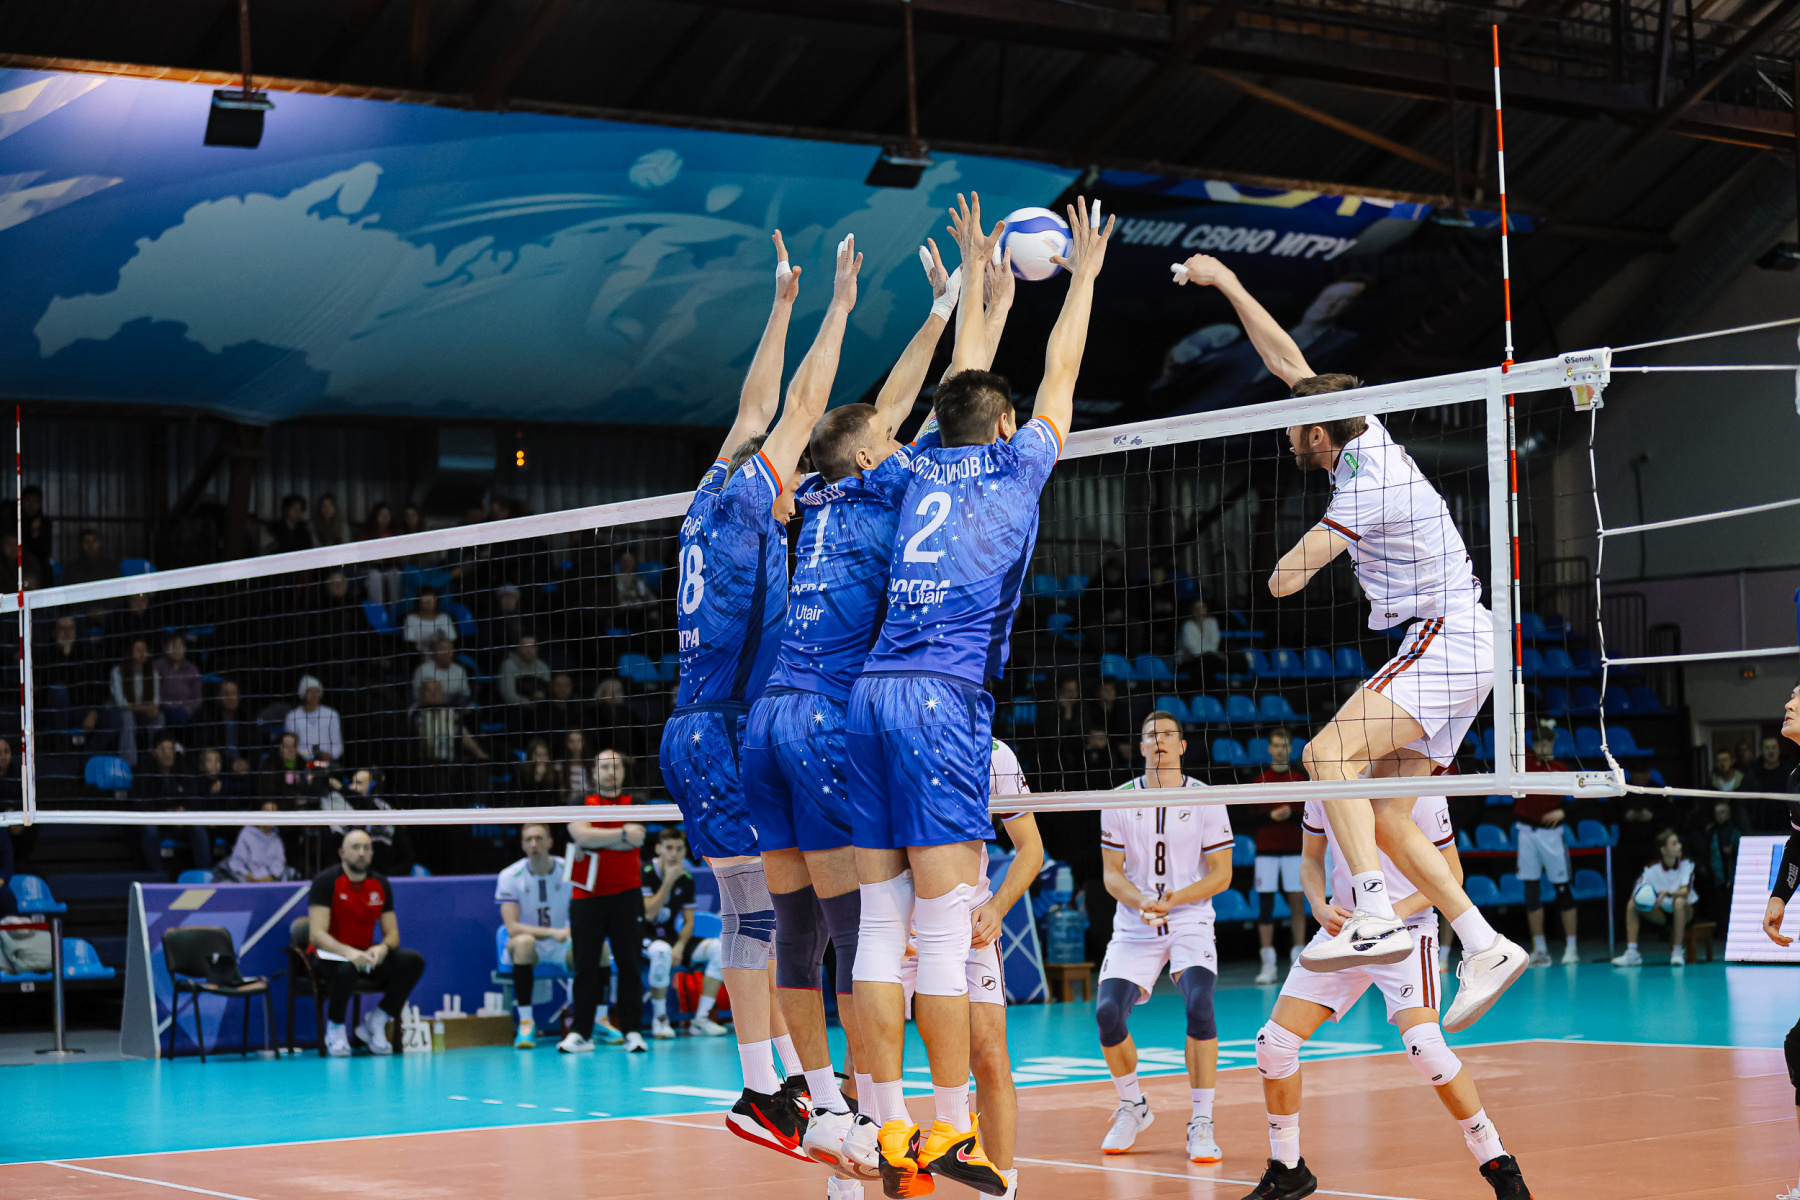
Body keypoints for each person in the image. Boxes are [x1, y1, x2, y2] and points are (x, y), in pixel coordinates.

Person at [1176, 252, 1521, 1031]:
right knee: (1392, 819)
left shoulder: (1366, 485)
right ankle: (1484, 942)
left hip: (1446, 638)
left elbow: (1286, 580)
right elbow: (1288, 364)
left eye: (1292, 428)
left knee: (1326, 757)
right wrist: (1226, 283)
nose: (1284, 433)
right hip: (1459, 643)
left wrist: (1274, 571)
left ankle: (1371, 911)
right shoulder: (1363, 435)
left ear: (1316, 434)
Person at [850, 194, 1109, 1198]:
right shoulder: (1016, 461)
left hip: (870, 693)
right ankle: (955, 1132)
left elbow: (964, 382)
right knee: (949, 921)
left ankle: (889, 1129)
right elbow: (1062, 372)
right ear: (1003, 425)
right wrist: (1082, 281)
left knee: (883, 925)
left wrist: (975, 288)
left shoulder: (915, 464)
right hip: (942, 700)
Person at [745, 229, 968, 1174]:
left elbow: (879, 409)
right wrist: (962, 308)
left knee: (795, 929)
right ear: (874, 454)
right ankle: (882, 1121)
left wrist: (932, 310)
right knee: (863, 930)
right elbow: (942, 404)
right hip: (826, 717)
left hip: (765, 720)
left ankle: (828, 1111)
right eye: (886, 436)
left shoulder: (815, 495)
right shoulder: (885, 490)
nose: (896, 435)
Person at [657, 230, 848, 1155]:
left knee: (754, 907)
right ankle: (761, 1087)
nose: (799, 484)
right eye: (795, 474)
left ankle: (775, 1083)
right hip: (726, 730)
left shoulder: (707, 496)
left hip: (697, 726)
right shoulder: (742, 510)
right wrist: (838, 307)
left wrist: (780, 306)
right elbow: (797, 407)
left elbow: (753, 410)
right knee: (770, 908)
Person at [1246, 793, 1535, 1200]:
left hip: (1408, 929)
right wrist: (1317, 905)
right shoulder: (1328, 783)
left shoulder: (1417, 789)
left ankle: (1499, 1164)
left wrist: (1388, 915)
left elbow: (1451, 871)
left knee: (1425, 1047)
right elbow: (1310, 859)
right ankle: (1287, 1170)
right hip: (1344, 932)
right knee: (1273, 1044)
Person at [895, 740, 1044, 1200]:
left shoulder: (992, 752)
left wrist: (997, 907)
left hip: (966, 925)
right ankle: (845, 1187)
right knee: (866, 1061)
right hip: (895, 925)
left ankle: (1001, 1190)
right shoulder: (885, 733)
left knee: (991, 1057)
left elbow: (1031, 849)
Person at [1094, 711, 1233, 1165]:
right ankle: (1133, 1105)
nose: (1160, 741)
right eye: (1151, 734)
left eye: (1169, 734)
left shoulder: (1206, 798)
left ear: (1182, 746)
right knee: (1108, 1013)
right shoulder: (1118, 799)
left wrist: (1174, 900)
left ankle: (1202, 1120)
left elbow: (1222, 875)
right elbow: (1111, 874)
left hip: (1190, 918)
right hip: (1136, 923)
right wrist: (1141, 901)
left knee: (1200, 1003)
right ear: (1141, 746)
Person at [307, 829, 427, 1057]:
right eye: (355, 848)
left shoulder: (380, 883)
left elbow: (393, 935)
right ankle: (335, 1028)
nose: (361, 853)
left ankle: (376, 1020)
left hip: (364, 954)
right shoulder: (325, 882)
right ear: (342, 853)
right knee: (346, 970)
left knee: (413, 962)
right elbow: (317, 935)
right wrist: (349, 953)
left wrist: (382, 948)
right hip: (330, 955)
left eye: (366, 848)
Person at [562, 748, 649, 1054]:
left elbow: (638, 838)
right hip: (587, 897)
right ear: (593, 772)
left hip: (627, 895)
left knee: (630, 965)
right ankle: (580, 1033)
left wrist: (596, 838)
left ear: (624, 772)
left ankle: (633, 1031)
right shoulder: (579, 801)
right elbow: (581, 837)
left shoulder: (636, 801)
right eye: (604, 767)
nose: (611, 772)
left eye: (616, 767)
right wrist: (621, 835)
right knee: (584, 966)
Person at [1755, 684, 1800, 1200]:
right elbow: (1799, 843)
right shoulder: (1797, 777)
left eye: (1797, 699)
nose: (1786, 705)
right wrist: (1779, 896)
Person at [643, 826, 726, 1040]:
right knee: (661, 951)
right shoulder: (646, 872)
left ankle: (701, 1019)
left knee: (718, 950)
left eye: (679, 849)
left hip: (671, 937)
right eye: (669, 848)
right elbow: (649, 914)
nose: (674, 853)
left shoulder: (687, 877)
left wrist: (680, 946)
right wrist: (668, 881)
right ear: (658, 849)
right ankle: (660, 1019)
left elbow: (689, 920)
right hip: (644, 937)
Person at [496, 823, 573, 1049]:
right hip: (531, 947)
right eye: (528, 839)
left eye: (539, 838)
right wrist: (552, 932)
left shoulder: (569, 868)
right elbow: (512, 927)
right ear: (522, 845)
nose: (534, 844)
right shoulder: (509, 875)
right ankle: (526, 1023)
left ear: (550, 842)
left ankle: (598, 1020)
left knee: (597, 948)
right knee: (523, 943)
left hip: (561, 944)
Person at [1513, 723, 1578, 967]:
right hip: (1526, 833)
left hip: (1551, 835)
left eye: (1546, 742)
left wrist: (1564, 811)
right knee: (1531, 891)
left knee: (1562, 889)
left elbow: (1583, 800)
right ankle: (1540, 950)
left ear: (1552, 743)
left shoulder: (1561, 769)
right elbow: (1513, 738)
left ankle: (1572, 947)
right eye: (1538, 743)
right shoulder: (1524, 764)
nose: (1542, 747)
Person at [1250, 728, 1308, 984]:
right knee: (1266, 906)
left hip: (1294, 849)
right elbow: (1247, 817)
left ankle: (1298, 962)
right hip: (1266, 851)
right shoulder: (1260, 780)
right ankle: (1268, 965)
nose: (1280, 750)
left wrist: (1291, 815)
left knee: (1297, 903)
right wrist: (1271, 816)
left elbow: (1311, 814)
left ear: (1290, 749)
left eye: (1284, 745)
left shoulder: (1300, 779)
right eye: (1276, 745)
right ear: (1269, 748)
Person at [1612, 830, 1695, 967]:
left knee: (1679, 902)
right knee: (1632, 904)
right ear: (1663, 850)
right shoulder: (1651, 869)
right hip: (1661, 912)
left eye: (1679, 843)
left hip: (1685, 911)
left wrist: (1668, 893)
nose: (1679, 846)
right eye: (1674, 843)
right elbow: (1636, 892)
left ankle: (1677, 952)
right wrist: (1649, 899)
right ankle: (1632, 953)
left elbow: (1685, 892)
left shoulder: (1687, 864)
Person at [133, 734, 210, 875]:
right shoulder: (144, 771)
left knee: (198, 828)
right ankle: (156, 875)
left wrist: (184, 811)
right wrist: (165, 813)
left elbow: (195, 800)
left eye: (170, 749)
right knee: (149, 830)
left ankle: (205, 873)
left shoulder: (184, 768)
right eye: (163, 750)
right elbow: (141, 805)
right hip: (158, 824)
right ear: (154, 752)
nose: (167, 754)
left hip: (180, 824)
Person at [109, 636, 162, 767]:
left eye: (144, 649)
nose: (142, 653)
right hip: (118, 713)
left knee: (159, 717)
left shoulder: (154, 674)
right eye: (138, 650)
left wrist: (150, 709)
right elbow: (122, 704)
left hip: (142, 714)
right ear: (130, 652)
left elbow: (155, 705)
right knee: (127, 717)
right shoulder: (118, 672)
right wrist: (145, 708)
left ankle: (156, 757)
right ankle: (129, 763)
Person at [222, 801, 294, 881]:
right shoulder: (246, 834)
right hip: (245, 880)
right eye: (267, 812)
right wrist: (247, 875)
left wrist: (271, 877)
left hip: (268, 882)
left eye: (274, 813)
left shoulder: (276, 840)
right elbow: (237, 862)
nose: (271, 816)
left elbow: (279, 863)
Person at [285, 675, 344, 765]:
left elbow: (337, 745)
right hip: (304, 764)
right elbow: (291, 746)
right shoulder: (292, 716)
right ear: (303, 693)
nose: (314, 695)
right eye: (310, 691)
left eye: (317, 691)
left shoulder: (332, 714)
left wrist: (328, 755)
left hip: (328, 763)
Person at [411, 636, 472, 705]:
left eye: (449, 649)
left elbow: (465, 694)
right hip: (427, 707)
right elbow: (416, 694)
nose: (446, 653)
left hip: (454, 707)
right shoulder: (423, 670)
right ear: (435, 652)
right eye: (442, 649)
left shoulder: (459, 670)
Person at [499, 634, 553, 708]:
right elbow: (509, 696)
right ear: (518, 648)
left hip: (542, 708)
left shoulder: (542, 666)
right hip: (516, 709)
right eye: (525, 647)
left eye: (532, 647)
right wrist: (533, 705)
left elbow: (549, 690)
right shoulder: (508, 666)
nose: (529, 651)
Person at [403, 588, 457, 655]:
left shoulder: (445, 618)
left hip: (442, 654)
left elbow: (451, 639)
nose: (428, 602)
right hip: (419, 654)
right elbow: (410, 641)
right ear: (418, 601)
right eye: (425, 599)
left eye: (431, 599)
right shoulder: (411, 619)